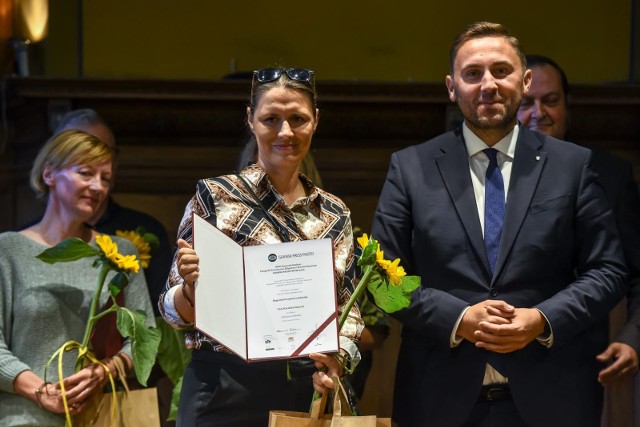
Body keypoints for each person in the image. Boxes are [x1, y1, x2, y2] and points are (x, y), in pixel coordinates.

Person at [371, 21, 628, 427]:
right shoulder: (411, 167)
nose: (488, 84)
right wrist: (458, 318)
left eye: (501, 71)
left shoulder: (572, 166)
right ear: (452, 87)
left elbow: (609, 270)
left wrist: (542, 319)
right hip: (437, 398)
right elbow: (381, 281)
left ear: (524, 81)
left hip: (554, 396)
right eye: (472, 74)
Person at [159, 67, 364, 426]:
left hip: (304, 387)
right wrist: (191, 290)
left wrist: (337, 360)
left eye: (297, 118)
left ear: (315, 122)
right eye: (271, 118)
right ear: (250, 120)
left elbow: (349, 312)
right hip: (223, 385)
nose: (285, 132)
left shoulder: (335, 212)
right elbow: (170, 311)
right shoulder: (216, 196)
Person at [0, 130, 156, 426]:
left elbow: (144, 341)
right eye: (86, 173)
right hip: (23, 419)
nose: (98, 187)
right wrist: (39, 390)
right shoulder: (8, 250)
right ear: (49, 174)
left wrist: (104, 372)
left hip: (100, 416)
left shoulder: (120, 253)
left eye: (106, 179)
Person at [517, 54, 640, 426]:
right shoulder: (480, 172)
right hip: (481, 368)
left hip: (573, 368)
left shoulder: (609, 175)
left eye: (551, 100)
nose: (539, 112)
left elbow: (638, 270)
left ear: (568, 106)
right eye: (526, 103)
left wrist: (634, 336)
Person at [51, 109, 173, 318]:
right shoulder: (16, 244)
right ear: (51, 168)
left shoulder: (138, 236)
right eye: (80, 150)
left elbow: (155, 318)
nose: (94, 157)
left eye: (102, 151)